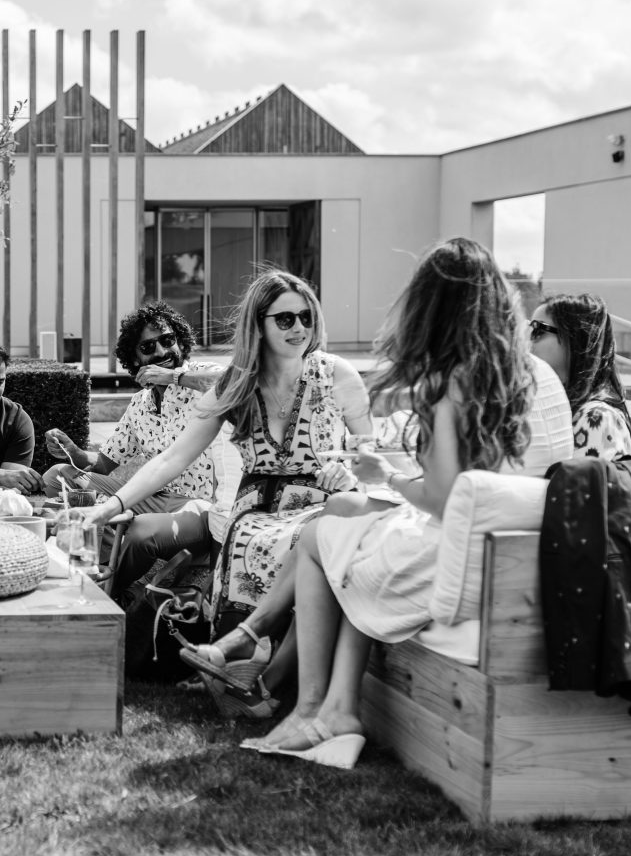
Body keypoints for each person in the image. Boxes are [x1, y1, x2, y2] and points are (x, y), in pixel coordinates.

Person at [241, 237, 562, 768]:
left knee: (322, 536)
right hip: (524, 555)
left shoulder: (451, 382)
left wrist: (389, 474)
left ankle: (317, 707)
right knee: (349, 529)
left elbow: (441, 499)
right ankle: (331, 707)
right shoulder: (539, 376)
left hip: (451, 561)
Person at [85, 269, 375, 688]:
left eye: (306, 317)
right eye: (285, 319)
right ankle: (250, 669)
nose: (299, 328)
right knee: (246, 536)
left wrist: (349, 467)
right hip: (253, 507)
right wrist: (112, 506)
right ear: (258, 324)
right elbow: (172, 458)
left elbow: (370, 449)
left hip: (319, 503)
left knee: (304, 537)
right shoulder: (236, 385)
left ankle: (251, 665)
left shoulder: (338, 375)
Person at [42, 300, 224, 587]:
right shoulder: (140, 403)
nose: (162, 351)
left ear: (180, 340)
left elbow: (233, 381)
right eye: (148, 347)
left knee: (141, 532)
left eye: (167, 340)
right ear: (135, 359)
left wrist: (173, 376)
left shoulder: (201, 377)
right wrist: (71, 450)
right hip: (150, 494)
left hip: (198, 504)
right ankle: (100, 554)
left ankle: (108, 589)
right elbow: (103, 465)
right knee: (59, 477)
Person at [529, 293, 631, 460]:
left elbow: (579, 486)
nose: (529, 342)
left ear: (575, 339)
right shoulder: (557, 406)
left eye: (537, 331)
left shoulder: (595, 418)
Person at [0, 344, 42, 494]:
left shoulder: (17, 420)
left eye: (0, 382)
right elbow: (5, 477)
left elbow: (10, 487)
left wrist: (5, 477)